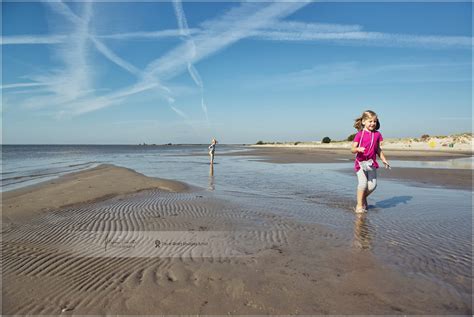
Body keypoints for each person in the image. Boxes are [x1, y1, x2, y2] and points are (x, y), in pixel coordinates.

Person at [351, 110, 390, 213]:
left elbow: (378, 149)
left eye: (375, 121)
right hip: (360, 163)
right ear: (364, 121)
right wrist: (358, 149)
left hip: (371, 163)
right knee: (363, 184)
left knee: (372, 186)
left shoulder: (377, 134)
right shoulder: (359, 134)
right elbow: (352, 149)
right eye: (370, 121)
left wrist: (384, 159)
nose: (373, 123)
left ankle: (363, 198)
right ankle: (359, 205)